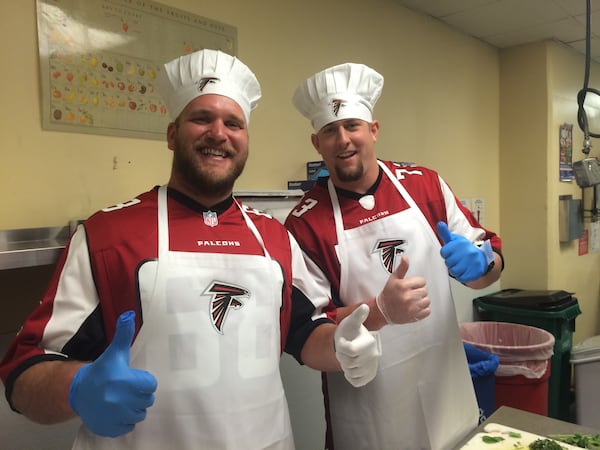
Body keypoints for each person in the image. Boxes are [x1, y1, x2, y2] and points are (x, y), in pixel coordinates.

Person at [0, 50, 381, 450]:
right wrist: (76, 387)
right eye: (202, 118)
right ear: (171, 134)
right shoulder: (108, 235)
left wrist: (341, 347)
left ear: (245, 141)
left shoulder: (273, 237)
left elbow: (306, 331)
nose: (219, 133)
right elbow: (25, 370)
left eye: (233, 123)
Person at [285, 62, 504, 450]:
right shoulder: (305, 224)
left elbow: (489, 262)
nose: (343, 140)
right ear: (317, 143)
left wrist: (482, 264)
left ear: (373, 129)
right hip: (368, 408)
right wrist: (379, 309)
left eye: (352, 125)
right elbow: (309, 327)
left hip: (445, 391)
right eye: (329, 131)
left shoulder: (425, 186)